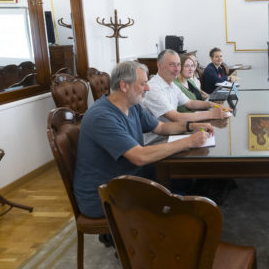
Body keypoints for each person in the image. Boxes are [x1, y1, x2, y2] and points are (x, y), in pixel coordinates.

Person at [73, 60, 214, 220]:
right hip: (105, 195)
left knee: (185, 177)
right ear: (124, 86)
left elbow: (161, 127)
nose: (148, 88)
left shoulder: (132, 105)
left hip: (129, 177)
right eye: (143, 84)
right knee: (182, 197)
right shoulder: (102, 117)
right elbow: (140, 156)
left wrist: (192, 126)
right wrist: (189, 141)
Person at [141, 50, 229, 145]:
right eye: (172, 65)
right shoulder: (154, 88)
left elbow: (190, 103)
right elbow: (176, 117)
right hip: (157, 141)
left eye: (178, 64)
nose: (177, 69)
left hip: (173, 133)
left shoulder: (171, 84)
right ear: (159, 65)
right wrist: (211, 114)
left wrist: (213, 105)